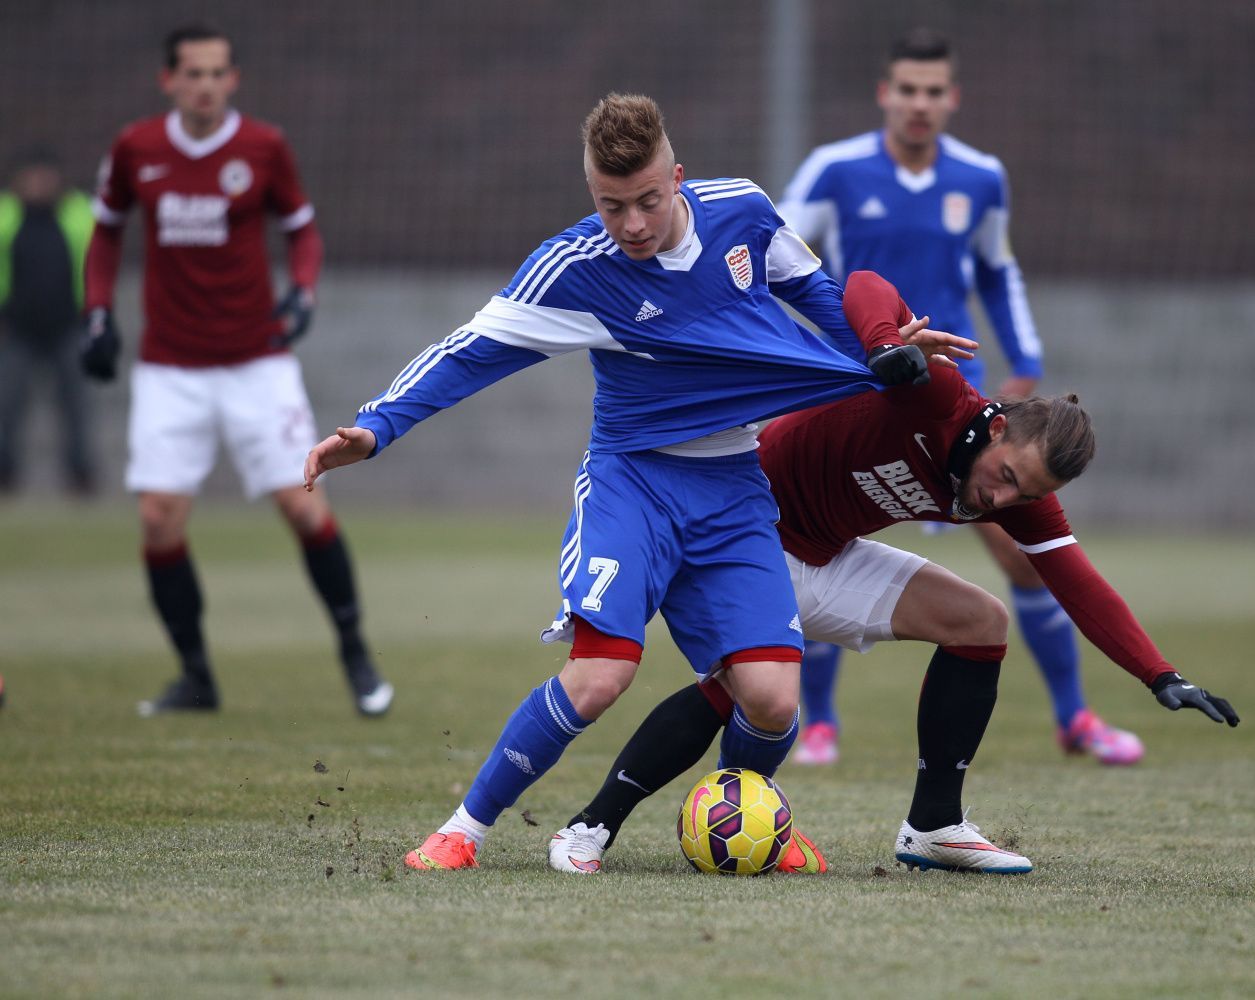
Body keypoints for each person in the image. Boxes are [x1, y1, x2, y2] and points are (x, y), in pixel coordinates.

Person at [303, 94, 941, 873]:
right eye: (611, 206)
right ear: (590, 195)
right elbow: (469, 348)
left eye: (647, 200)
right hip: (634, 485)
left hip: (735, 487)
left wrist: (879, 358)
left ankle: (751, 826)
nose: (632, 224)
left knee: (774, 701)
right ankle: (462, 833)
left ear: (678, 177)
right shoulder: (577, 270)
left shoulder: (741, 210)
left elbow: (819, 296)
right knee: (602, 675)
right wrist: (379, 426)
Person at [546, 270, 1239, 876]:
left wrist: (1160, 674)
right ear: (998, 431)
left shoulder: (1016, 494)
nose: (1001, 501)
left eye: (1023, 496)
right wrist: (883, 345)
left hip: (825, 551)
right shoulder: (937, 396)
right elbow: (864, 284)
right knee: (750, 689)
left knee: (980, 622)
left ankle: (934, 825)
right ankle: (590, 826)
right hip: (741, 537)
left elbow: (1079, 583)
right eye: (1005, 479)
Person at [776, 27, 1141, 766]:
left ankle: (1074, 717)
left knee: (1025, 560)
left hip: (959, 406)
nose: (919, 103)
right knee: (824, 526)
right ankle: (819, 722)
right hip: (870, 394)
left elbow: (998, 271)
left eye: (933, 91)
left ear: (952, 98)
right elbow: (783, 254)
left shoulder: (981, 177)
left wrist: (1027, 357)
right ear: (886, 93)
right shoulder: (834, 169)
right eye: (906, 89)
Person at [79, 24, 393, 717]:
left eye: (218, 73)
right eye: (193, 73)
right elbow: (106, 233)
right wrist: (97, 314)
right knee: (159, 519)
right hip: (171, 367)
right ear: (169, 81)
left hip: (258, 362)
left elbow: (302, 229)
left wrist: (303, 291)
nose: (206, 85)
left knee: (304, 503)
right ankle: (196, 676)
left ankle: (356, 655)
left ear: (234, 79)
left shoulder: (263, 148)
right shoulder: (137, 148)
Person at [0, 148, 97, 495]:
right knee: (7, 406)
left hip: (68, 326)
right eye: (32, 176)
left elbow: (98, 263)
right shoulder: (6, 215)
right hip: (17, 329)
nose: (39, 184)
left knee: (76, 408)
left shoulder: (78, 213)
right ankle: (5, 476)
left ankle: (81, 477)